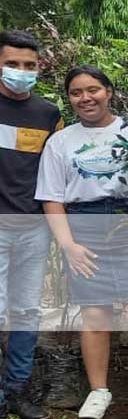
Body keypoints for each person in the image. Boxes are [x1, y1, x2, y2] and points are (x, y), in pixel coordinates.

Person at [35, 65, 128, 419]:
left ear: (109, 92)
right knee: (95, 313)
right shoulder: (60, 142)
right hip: (83, 226)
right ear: (69, 99)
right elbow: (52, 198)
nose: (85, 98)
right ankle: (100, 391)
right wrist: (69, 245)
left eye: (93, 90)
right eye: (76, 92)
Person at [0, 30, 62, 419]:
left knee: (25, 310)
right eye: (12, 64)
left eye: (29, 65)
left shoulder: (48, 114)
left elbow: (55, 172)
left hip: (34, 227)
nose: (21, 71)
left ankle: (17, 390)